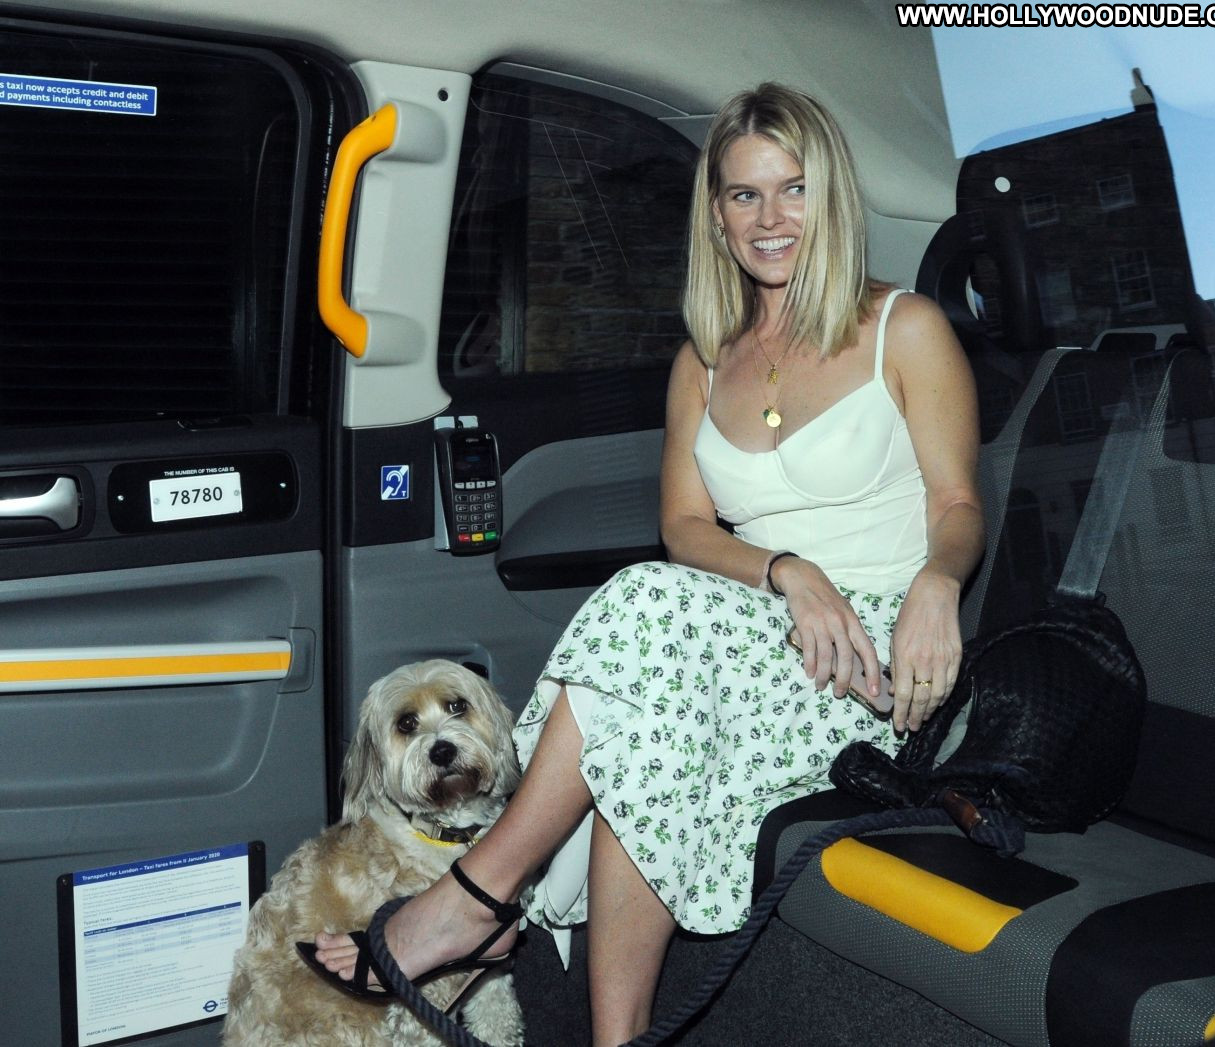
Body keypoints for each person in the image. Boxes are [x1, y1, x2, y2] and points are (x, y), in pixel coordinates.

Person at [308, 81, 983, 1045]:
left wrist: (938, 582)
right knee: (642, 723)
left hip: (876, 659)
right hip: (758, 634)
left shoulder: (903, 327)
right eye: (745, 194)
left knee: (645, 620)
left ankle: (477, 898)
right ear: (718, 214)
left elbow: (957, 506)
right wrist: (788, 571)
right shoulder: (704, 361)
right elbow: (685, 528)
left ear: (830, 197)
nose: (770, 218)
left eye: (793, 189)